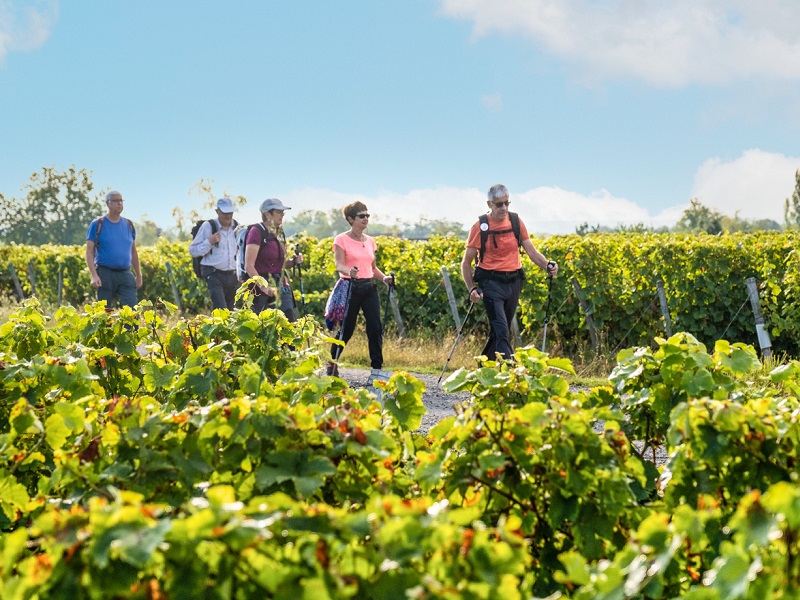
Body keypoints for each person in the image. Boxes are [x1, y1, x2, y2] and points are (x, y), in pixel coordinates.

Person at [460, 184, 558, 361]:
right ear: (489, 204)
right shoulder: (479, 227)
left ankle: (485, 368)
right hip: (490, 283)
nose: (504, 208)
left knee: (499, 332)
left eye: (506, 203)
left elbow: (532, 252)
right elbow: (466, 263)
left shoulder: (515, 222)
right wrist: (471, 289)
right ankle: (512, 373)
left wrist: (547, 265)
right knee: (502, 330)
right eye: (499, 204)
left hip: (514, 282)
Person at [327, 201, 394, 376]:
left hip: (369, 287)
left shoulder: (370, 241)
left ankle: (377, 369)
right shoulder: (341, 239)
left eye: (367, 215)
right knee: (347, 329)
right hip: (350, 287)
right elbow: (339, 264)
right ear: (350, 219)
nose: (365, 219)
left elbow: (372, 268)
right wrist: (349, 271)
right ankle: (332, 363)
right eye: (361, 216)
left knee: (375, 327)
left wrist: (385, 278)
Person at [243, 198, 303, 318]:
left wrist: (294, 261)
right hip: (259, 292)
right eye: (278, 212)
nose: (282, 214)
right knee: (261, 327)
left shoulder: (280, 232)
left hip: (281, 286)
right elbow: (249, 266)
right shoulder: (256, 232)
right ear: (267, 214)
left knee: (288, 323)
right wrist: (264, 288)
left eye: (283, 212)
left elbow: (282, 264)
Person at [85, 190, 142, 308]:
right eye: (115, 200)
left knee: (132, 311)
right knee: (105, 312)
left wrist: (139, 275)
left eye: (121, 200)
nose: (119, 203)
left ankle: (130, 327)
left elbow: (133, 253)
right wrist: (94, 275)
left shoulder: (129, 225)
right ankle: (107, 327)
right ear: (107, 203)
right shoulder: (97, 224)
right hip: (105, 274)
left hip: (125, 273)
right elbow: (89, 252)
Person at [189, 197, 239, 310]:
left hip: (233, 276)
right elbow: (193, 250)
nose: (228, 216)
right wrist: (209, 242)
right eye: (225, 212)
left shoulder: (237, 227)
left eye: (230, 212)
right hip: (214, 274)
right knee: (220, 309)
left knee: (231, 311)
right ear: (217, 211)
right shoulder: (208, 226)